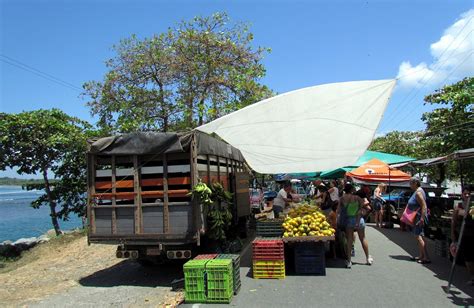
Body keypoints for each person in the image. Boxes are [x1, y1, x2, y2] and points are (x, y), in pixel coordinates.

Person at [338, 183, 373, 268]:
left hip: (349, 220)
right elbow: (366, 208)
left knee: (349, 240)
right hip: (359, 220)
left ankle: (349, 261)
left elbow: (338, 210)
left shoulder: (342, 198)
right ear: (352, 190)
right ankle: (368, 257)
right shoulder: (357, 198)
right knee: (363, 238)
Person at [450, 185, 474, 285]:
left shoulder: (473, 206)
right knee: (468, 258)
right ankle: (473, 277)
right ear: (462, 195)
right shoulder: (458, 206)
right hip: (464, 235)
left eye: (469, 193)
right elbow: (454, 223)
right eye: (465, 193)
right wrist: (453, 237)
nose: (467, 195)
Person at [408, 177, 431, 264]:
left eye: (410, 183)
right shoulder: (418, 191)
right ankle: (421, 255)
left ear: (415, 183)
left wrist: (422, 218)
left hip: (418, 217)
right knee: (418, 236)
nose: (409, 185)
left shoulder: (418, 192)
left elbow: (424, 206)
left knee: (419, 236)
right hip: (417, 216)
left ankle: (426, 257)